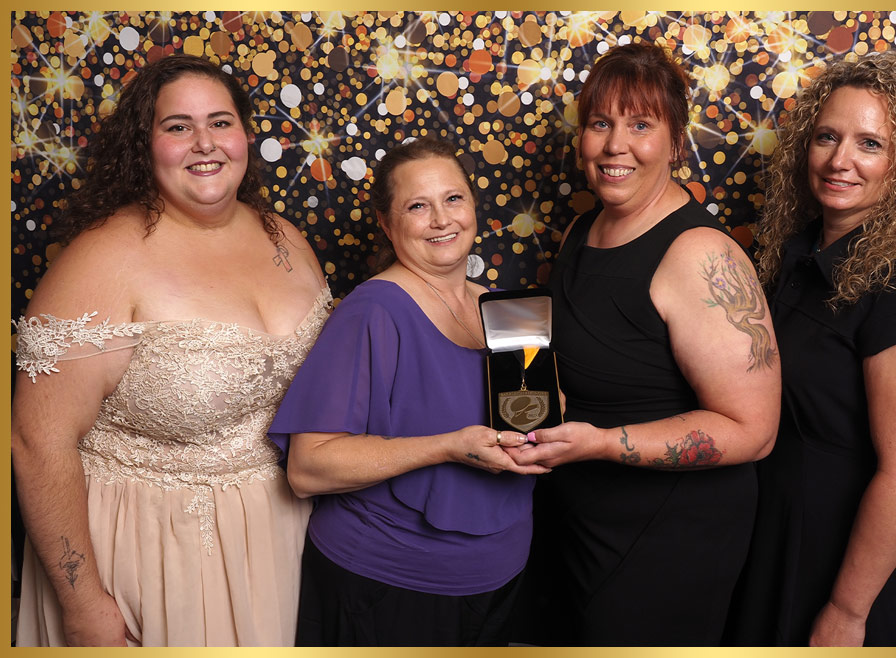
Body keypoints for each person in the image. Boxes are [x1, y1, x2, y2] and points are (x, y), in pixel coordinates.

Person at [12, 54, 331, 646]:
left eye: (220, 121)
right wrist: (83, 604)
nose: (204, 143)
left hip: (280, 535)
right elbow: (37, 441)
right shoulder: (103, 258)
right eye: (177, 126)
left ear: (245, 134)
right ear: (145, 143)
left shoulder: (283, 236)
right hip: (149, 550)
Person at [506, 41, 781, 645]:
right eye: (600, 123)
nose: (614, 146)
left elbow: (753, 430)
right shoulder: (584, 228)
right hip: (576, 518)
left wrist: (602, 443)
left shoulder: (702, 256)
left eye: (641, 125)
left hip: (668, 536)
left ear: (677, 142)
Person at [725, 52, 896, 646]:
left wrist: (846, 611)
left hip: (865, 575)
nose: (840, 161)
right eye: (827, 137)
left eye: (870, 144)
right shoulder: (792, 258)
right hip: (783, 540)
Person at [267, 136, 547, 646]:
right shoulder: (374, 310)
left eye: (453, 199)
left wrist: (550, 422)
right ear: (387, 223)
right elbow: (308, 469)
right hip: (392, 583)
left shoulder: (509, 310)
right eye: (418, 206)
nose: (442, 219)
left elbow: (528, 419)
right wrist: (447, 447)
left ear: (473, 207)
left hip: (502, 577)